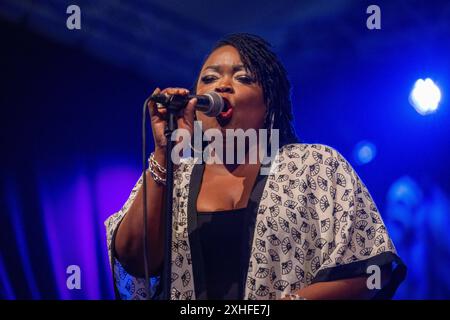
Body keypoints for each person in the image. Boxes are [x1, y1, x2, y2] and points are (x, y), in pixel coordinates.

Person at [105, 33, 406, 300]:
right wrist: (162, 153)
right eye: (209, 79)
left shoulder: (314, 166)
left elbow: (369, 270)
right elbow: (134, 260)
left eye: (243, 78)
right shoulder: (175, 176)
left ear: (270, 102)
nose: (222, 85)